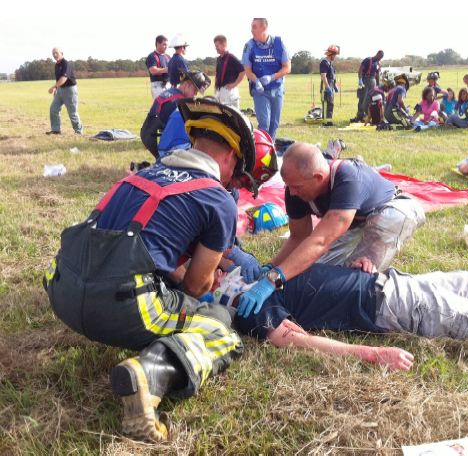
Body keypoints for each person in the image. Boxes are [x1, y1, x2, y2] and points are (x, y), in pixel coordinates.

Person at [43, 97, 268, 442]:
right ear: (230, 157)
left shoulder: (141, 176)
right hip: (120, 305)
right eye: (236, 175)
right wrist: (210, 285)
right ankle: (154, 372)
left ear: (195, 142)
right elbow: (195, 286)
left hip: (63, 290)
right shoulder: (216, 198)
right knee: (221, 327)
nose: (232, 184)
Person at [218, 262, 468, 372]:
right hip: (384, 303)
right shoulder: (242, 305)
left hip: (386, 280)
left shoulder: (239, 268)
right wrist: (373, 354)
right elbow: (294, 339)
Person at [236, 142, 425, 318]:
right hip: (354, 223)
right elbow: (299, 238)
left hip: (393, 209)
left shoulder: (349, 178)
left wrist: (272, 280)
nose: (292, 193)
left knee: (361, 276)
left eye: (296, 187)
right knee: (313, 270)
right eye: (289, 186)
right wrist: (271, 267)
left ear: (318, 178)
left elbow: (320, 241)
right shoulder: (295, 188)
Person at [140, 70, 211, 159]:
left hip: (149, 132)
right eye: (195, 90)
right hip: (155, 138)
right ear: (186, 85)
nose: (195, 94)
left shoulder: (172, 92)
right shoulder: (178, 102)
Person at [242, 18, 291, 140]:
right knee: (264, 123)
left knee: (274, 124)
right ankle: (260, 150)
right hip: (260, 90)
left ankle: (270, 149)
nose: (251, 30)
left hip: (277, 89)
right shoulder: (249, 46)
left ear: (264, 28)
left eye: (254, 27)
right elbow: (247, 69)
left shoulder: (279, 43)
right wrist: (256, 81)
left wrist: (272, 77)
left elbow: (287, 67)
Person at [47, 47, 82, 135]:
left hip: (70, 90)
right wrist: (56, 88)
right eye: (53, 53)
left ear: (61, 53)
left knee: (72, 113)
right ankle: (56, 130)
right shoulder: (56, 65)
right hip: (60, 90)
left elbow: (63, 78)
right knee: (53, 109)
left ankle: (78, 132)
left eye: (56, 53)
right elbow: (58, 79)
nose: (55, 55)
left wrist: (53, 87)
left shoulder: (66, 63)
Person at [214, 35, 245, 109]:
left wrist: (234, 84)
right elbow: (217, 74)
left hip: (229, 92)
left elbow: (243, 71)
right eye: (215, 46)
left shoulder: (231, 57)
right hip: (220, 91)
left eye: (217, 46)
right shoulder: (218, 59)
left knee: (233, 116)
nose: (216, 48)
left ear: (224, 45)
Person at [352, 50, 384, 122]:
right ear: (377, 54)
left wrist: (378, 85)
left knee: (371, 99)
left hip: (373, 81)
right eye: (380, 57)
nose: (380, 59)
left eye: (381, 58)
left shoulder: (378, 63)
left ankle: (369, 116)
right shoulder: (367, 60)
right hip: (365, 80)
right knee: (362, 98)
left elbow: (377, 74)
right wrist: (360, 80)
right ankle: (360, 116)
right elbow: (360, 70)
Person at [320, 45, 340, 125]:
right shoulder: (324, 63)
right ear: (331, 54)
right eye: (335, 55)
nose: (335, 57)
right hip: (326, 85)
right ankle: (325, 122)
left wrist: (334, 86)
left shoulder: (330, 63)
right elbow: (323, 76)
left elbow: (332, 76)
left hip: (331, 85)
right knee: (326, 103)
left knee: (331, 103)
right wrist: (327, 87)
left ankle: (329, 121)